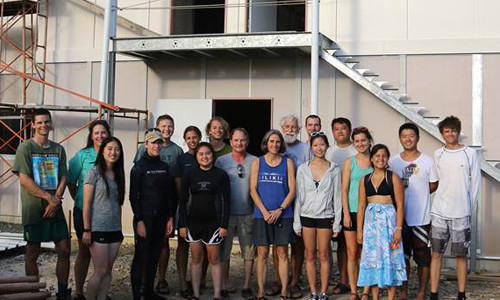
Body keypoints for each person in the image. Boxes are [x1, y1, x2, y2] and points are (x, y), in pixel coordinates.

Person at [12, 108, 71, 300]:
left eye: (47, 122)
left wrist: (56, 201)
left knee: (64, 248)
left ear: (50, 124)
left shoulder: (58, 149)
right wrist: (49, 198)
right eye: (40, 122)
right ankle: (33, 292)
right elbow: (24, 179)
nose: (44, 125)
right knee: (33, 252)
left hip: (55, 207)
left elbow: (63, 177)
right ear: (33, 125)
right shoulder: (26, 148)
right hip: (34, 208)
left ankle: (62, 291)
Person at [429, 116, 481, 300]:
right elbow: (434, 182)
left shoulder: (470, 154)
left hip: (461, 213)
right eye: (446, 131)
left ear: (458, 131)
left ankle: (461, 294)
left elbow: (475, 184)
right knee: (436, 254)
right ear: (442, 134)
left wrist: (468, 208)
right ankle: (433, 293)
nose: (450, 134)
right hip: (439, 212)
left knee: (461, 255)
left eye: (453, 130)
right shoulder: (438, 154)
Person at [134, 114, 183, 295]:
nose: (167, 129)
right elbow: (135, 187)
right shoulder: (142, 156)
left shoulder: (176, 152)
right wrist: (138, 216)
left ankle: (158, 281)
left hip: (165, 206)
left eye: (170, 126)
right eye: (163, 126)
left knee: (161, 246)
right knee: (144, 250)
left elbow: (175, 183)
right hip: (146, 209)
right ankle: (142, 285)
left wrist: (173, 212)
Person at [388, 123, 438, 300]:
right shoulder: (393, 161)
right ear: (399, 138)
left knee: (423, 257)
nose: (408, 139)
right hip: (399, 220)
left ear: (417, 138)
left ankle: (422, 291)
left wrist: (420, 195)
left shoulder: (427, 161)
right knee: (402, 257)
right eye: (404, 136)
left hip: (421, 218)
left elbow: (433, 184)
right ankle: (403, 291)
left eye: (411, 135)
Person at [178, 142, 230, 300]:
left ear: (212, 156)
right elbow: (183, 200)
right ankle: (195, 293)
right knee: (196, 258)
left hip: (214, 224)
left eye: (208, 153)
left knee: (214, 259)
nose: (205, 157)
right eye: (201, 154)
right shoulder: (190, 174)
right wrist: (182, 224)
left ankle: (216, 295)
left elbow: (227, 201)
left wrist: (224, 225)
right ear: (196, 157)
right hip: (193, 223)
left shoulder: (221, 175)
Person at [293, 132, 342, 300]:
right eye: (315, 145)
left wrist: (337, 223)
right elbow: (298, 197)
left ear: (327, 146)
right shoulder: (302, 169)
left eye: (322, 144)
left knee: (324, 255)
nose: (319, 148)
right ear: (310, 146)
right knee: (310, 255)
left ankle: (323, 292)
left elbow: (337, 197)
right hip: (306, 216)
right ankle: (313, 291)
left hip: (325, 216)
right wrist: (297, 222)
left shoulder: (334, 168)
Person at [357, 144, 407, 300]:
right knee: (372, 259)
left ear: (387, 159)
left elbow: (400, 205)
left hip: (389, 225)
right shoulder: (365, 180)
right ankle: (375, 296)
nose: (380, 159)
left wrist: (398, 229)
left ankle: (391, 297)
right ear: (372, 158)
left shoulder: (393, 178)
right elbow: (361, 206)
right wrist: (359, 231)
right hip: (371, 226)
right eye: (377, 156)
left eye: (384, 156)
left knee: (390, 257)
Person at [68, 120, 111, 300]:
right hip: (83, 211)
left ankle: (101, 292)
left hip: (104, 214)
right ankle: (79, 291)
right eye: (96, 133)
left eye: (103, 132)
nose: (100, 136)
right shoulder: (82, 156)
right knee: (85, 252)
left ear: (108, 134)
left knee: (102, 255)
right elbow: (71, 181)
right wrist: (80, 200)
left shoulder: (112, 154)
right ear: (91, 135)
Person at [250, 130, 296, 300]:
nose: (275, 145)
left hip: (283, 215)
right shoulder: (257, 162)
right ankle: (261, 291)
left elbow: (292, 190)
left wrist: (280, 210)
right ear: (266, 143)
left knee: (282, 253)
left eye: (277, 142)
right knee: (262, 254)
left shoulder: (288, 163)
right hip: (261, 215)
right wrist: (264, 211)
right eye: (271, 141)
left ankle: (284, 291)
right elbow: (253, 190)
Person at [216, 128, 257, 300]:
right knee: (224, 252)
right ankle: (224, 286)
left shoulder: (255, 161)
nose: (239, 143)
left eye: (243, 140)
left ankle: (246, 285)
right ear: (230, 142)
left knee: (248, 251)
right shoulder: (221, 161)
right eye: (236, 140)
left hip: (248, 213)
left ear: (247, 142)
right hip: (227, 214)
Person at [82, 136, 125, 300]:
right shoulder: (93, 173)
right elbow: (86, 204)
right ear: (102, 151)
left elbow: (118, 204)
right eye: (109, 149)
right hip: (97, 228)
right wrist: (87, 230)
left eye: (117, 149)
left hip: (114, 229)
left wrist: (120, 229)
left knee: (108, 271)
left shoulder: (118, 174)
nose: (113, 152)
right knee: (99, 271)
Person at [325, 117, 357, 295]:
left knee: (353, 245)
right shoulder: (329, 152)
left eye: (343, 128)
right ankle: (341, 279)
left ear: (349, 130)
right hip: (332, 203)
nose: (340, 131)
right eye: (336, 129)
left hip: (353, 203)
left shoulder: (356, 149)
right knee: (339, 245)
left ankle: (355, 279)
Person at [341, 126, 373, 300]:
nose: (361, 144)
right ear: (354, 143)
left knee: (367, 253)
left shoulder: (376, 161)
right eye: (357, 141)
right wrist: (345, 213)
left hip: (371, 214)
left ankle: (366, 290)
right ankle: (354, 290)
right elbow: (344, 189)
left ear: (369, 141)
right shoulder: (349, 162)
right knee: (352, 253)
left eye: (363, 140)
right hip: (352, 212)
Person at [279, 114, 308, 299]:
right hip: (279, 203)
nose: (290, 130)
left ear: (298, 129)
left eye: (293, 127)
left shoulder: (305, 149)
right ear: (282, 128)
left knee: (298, 245)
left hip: (299, 203)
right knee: (279, 245)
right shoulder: (276, 146)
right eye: (287, 127)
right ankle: (279, 281)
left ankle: (295, 281)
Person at [175, 125, 202, 298]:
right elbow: (178, 183)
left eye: (195, 137)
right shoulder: (181, 159)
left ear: (199, 138)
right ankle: (183, 283)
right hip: (185, 205)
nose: (192, 140)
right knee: (183, 244)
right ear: (185, 141)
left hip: (203, 207)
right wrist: (184, 202)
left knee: (201, 246)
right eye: (189, 138)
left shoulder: (205, 155)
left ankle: (197, 281)